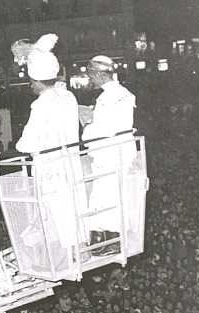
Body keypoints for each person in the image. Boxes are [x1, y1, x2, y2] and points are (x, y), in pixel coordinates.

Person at [10, 33, 85, 275]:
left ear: (37, 80)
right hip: (70, 163)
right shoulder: (67, 96)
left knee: (52, 215)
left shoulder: (41, 105)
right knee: (70, 210)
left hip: (50, 168)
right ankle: (75, 253)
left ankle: (60, 260)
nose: (30, 84)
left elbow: (27, 142)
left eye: (31, 79)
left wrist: (16, 147)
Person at [80, 55, 138, 256]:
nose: (91, 80)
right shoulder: (125, 93)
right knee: (114, 195)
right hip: (123, 151)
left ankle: (107, 242)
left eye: (91, 75)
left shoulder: (106, 98)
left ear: (98, 74)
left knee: (102, 198)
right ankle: (110, 240)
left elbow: (101, 131)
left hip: (108, 153)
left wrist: (87, 124)